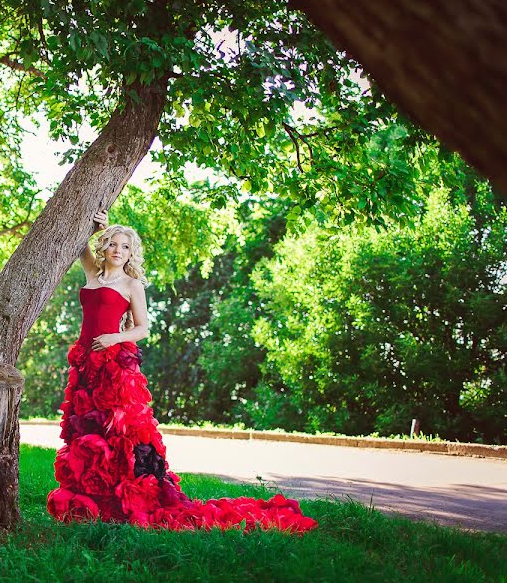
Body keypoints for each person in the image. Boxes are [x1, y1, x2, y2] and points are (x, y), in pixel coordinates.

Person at [46, 210, 317, 532]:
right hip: (85, 363)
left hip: (115, 363)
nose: (119, 250)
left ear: (132, 254)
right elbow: (80, 247)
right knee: (88, 429)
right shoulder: (94, 273)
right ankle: (96, 495)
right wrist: (97, 227)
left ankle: (127, 498)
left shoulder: (132, 284)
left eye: (126, 247)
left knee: (119, 434)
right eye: (113, 244)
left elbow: (143, 328)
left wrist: (115, 337)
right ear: (105, 247)